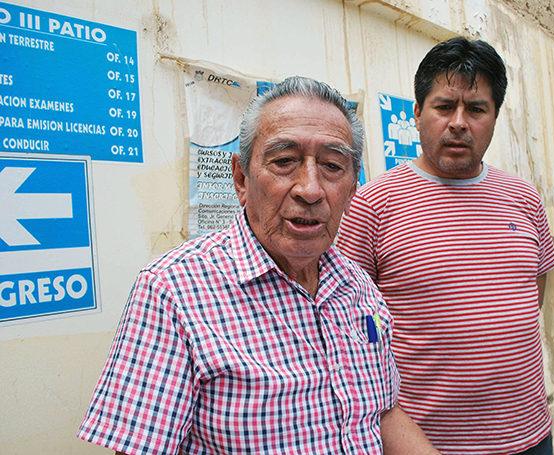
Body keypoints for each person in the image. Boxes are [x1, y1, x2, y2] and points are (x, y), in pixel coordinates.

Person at [77, 76, 439, 455]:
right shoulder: (173, 291)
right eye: (284, 161)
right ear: (241, 179)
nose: (310, 189)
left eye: (333, 165)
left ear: (351, 189)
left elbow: (381, 413)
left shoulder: (359, 287)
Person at [336, 37, 554, 454]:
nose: (459, 122)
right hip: (424, 444)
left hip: (530, 437)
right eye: (444, 106)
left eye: (476, 109)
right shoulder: (371, 205)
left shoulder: (524, 198)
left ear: (494, 117)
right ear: (417, 113)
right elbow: (349, 329)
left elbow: (534, 296)